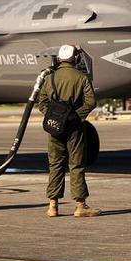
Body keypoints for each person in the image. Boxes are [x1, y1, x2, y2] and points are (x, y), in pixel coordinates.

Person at [37, 44, 100, 218]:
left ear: (58, 59)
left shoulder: (49, 79)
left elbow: (41, 103)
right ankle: (80, 206)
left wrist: (56, 117)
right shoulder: (81, 78)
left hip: (54, 127)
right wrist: (76, 116)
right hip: (75, 128)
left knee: (55, 164)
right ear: (75, 59)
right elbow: (91, 102)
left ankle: (53, 206)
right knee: (76, 164)